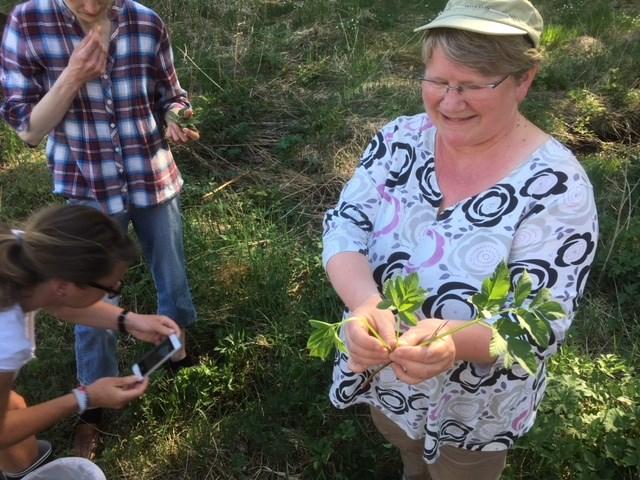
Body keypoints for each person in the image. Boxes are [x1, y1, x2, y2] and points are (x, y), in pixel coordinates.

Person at [321, 0, 598, 478]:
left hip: (475, 406)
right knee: (402, 441)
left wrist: (452, 342)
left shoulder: (557, 186)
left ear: (523, 82)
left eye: (473, 86)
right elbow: (345, 225)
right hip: (387, 375)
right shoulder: (399, 140)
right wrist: (365, 304)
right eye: (438, 81)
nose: (449, 103)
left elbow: (538, 325)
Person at [0, 0, 199, 457]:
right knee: (92, 291)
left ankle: (178, 350)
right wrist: (72, 74)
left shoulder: (146, 22)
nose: (91, 6)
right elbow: (28, 129)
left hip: (152, 176)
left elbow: (171, 94)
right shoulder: (29, 22)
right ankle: (93, 407)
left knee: (171, 274)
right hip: (89, 184)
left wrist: (174, 116)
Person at [0, 204, 181, 480]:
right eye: (111, 287)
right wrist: (86, 397)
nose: (114, 292)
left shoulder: (23, 251)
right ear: (64, 285)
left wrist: (129, 321)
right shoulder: (7, 339)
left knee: (13, 410)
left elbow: (58, 302)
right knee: (10, 423)